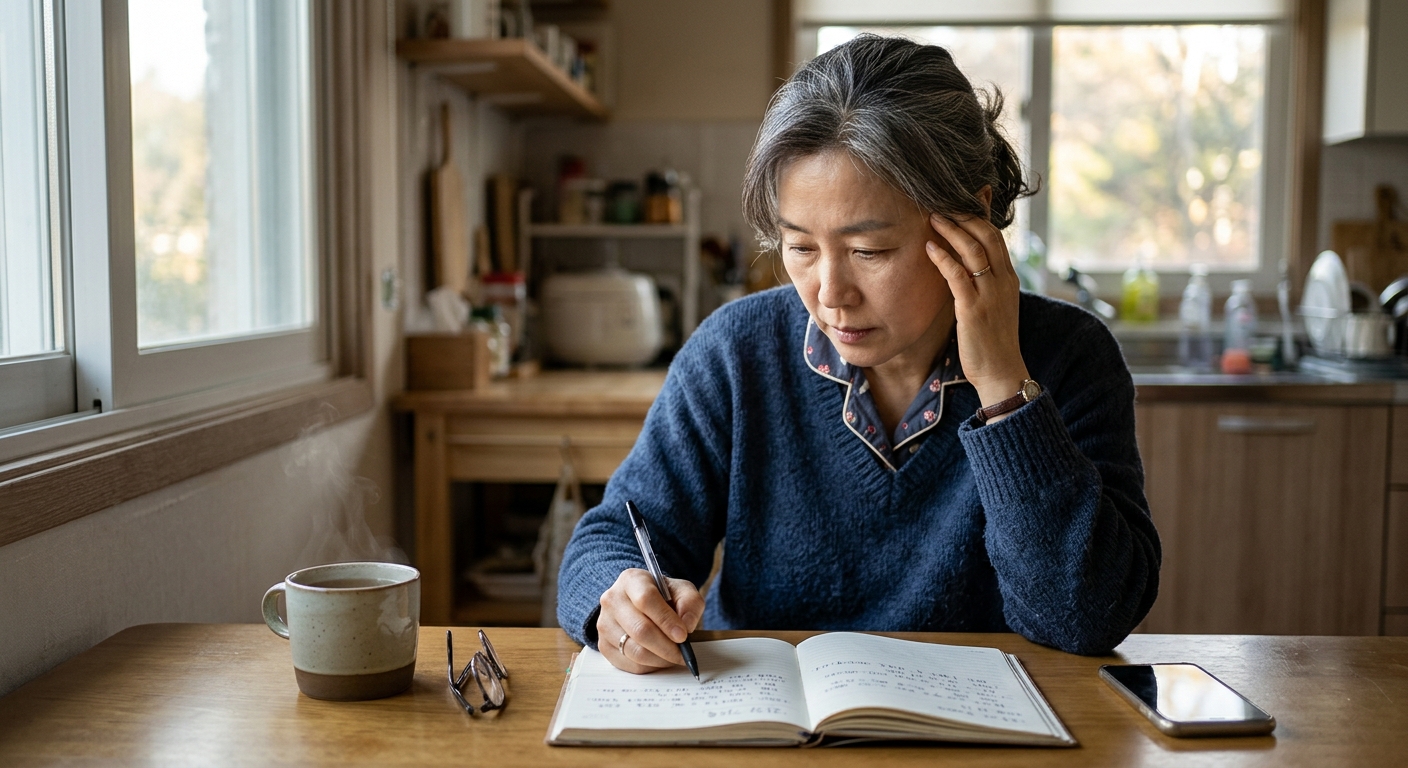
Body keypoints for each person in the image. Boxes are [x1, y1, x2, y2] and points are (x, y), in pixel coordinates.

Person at [556, 34, 1160, 672]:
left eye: (869, 252)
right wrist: (617, 599)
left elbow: (1086, 616)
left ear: (970, 216)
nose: (830, 294)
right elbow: (616, 534)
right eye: (801, 248)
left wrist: (1005, 389)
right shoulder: (735, 353)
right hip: (768, 727)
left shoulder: (1069, 357)